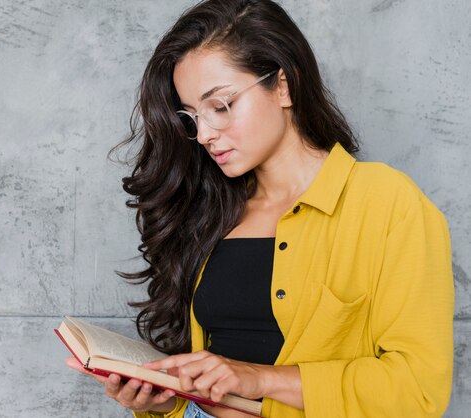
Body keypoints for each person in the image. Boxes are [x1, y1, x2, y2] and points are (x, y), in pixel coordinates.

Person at [65, 0, 454, 417]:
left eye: (221, 106)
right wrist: (162, 403)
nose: (205, 135)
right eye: (192, 117)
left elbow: (417, 390)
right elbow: (208, 377)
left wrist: (258, 378)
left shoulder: (387, 202)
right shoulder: (209, 211)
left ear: (283, 86)